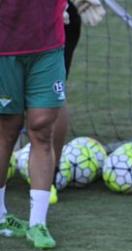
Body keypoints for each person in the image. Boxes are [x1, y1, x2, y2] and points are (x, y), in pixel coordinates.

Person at [0, 0, 69, 249]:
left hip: (48, 42)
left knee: (42, 128)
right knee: (7, 129)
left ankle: (37, 223)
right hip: (4, 46)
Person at [52, 0, 106, 203]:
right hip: (55, 14)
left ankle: (47, 179)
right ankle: (48, 179)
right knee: (51, 93)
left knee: (49, 95)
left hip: (51, 17)